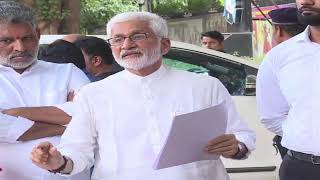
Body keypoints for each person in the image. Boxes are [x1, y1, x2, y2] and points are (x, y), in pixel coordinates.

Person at [30, 11, 255, 180]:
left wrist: (236, 147)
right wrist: (58, 162)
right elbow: (78, 151)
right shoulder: (94, 93)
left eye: (137, 36)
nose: (127, 45)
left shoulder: (205, 86)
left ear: (164, 45)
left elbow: (242, 136)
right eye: (118, 39)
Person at [0, 1, 90, 180]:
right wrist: (65, 126)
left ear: (38, 35)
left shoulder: (68, 71)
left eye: (27, 38)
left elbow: (92, 114)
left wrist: (14, 113)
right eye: (7, 40)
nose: (20, 48)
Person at [256, 0, 320, 179]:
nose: (306, 1)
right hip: (300, 169)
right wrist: (305, 136)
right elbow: (272, 116)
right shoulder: (279, 56)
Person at [267, 7, 307, 159]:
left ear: (278, 31)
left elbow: (270, 117)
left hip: (298, 152)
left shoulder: (275, 60)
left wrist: (300, 137)